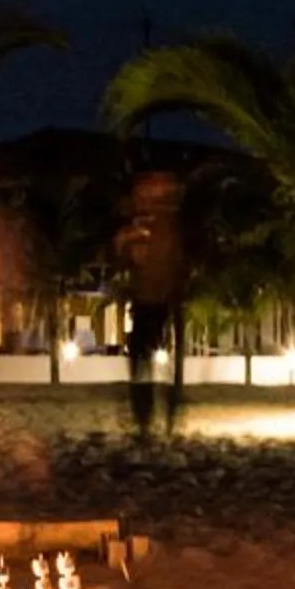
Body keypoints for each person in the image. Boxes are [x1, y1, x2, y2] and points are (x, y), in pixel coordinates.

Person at [116, 170, 187, 435]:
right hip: (161, 298)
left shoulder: (155, 230)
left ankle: (150, 418)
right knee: (145, 358)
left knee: (141, 357)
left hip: (156, 298)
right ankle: (157, 417)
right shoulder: (162, 229)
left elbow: (132, 259)